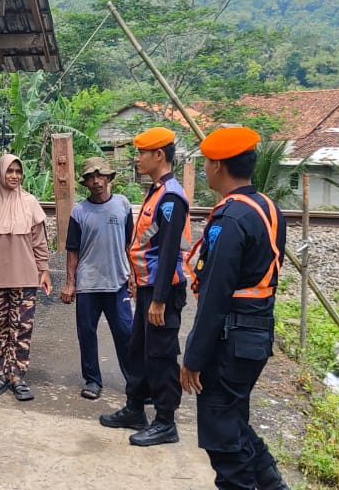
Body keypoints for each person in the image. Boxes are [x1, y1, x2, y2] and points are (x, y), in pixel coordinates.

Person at [180, 127, 290, 490]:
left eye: (206, 163)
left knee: (222, 437)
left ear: (218, 166)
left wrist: (194, 356)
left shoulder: (231, 219)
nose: (205, 169)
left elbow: (215, 294)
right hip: (255, 335)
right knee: (234, 420)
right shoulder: (268, 208)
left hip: (231, 340)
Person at [99, 126, 192, 447]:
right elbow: (148, 244)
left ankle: (166, 422)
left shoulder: (171, 198)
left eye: (140, 153)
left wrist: (160, 300)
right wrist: (137, 281)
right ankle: (135, 409)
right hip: (148, 287)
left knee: (161, 355)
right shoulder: (156, 191)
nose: (136, 159)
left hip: (162, 292)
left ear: (159, 155)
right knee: (137, 349)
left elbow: (168, 253)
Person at [0, 153, 52, 402]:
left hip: (25, 276)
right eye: (10, 171)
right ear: (0, 173)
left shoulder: (30, 202)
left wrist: (44, 269)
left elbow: (39, 240)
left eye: (18, 172)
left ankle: (17, 376)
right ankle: (2, 374)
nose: (14, 176)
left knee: (22, 327)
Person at [59, 157, 135, 401]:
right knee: (87, 333)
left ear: (109, 178)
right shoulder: (79, 211)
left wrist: (133, 275)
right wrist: (70, 283)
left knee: (126, 332)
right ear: (86, 183)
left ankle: (135, 381)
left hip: (117, 283)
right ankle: (92, 380)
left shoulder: (122, 205)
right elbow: (73, 250)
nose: (96, 181)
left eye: (100, 175)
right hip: (88, 284)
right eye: (91, 177)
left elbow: (129, 245)